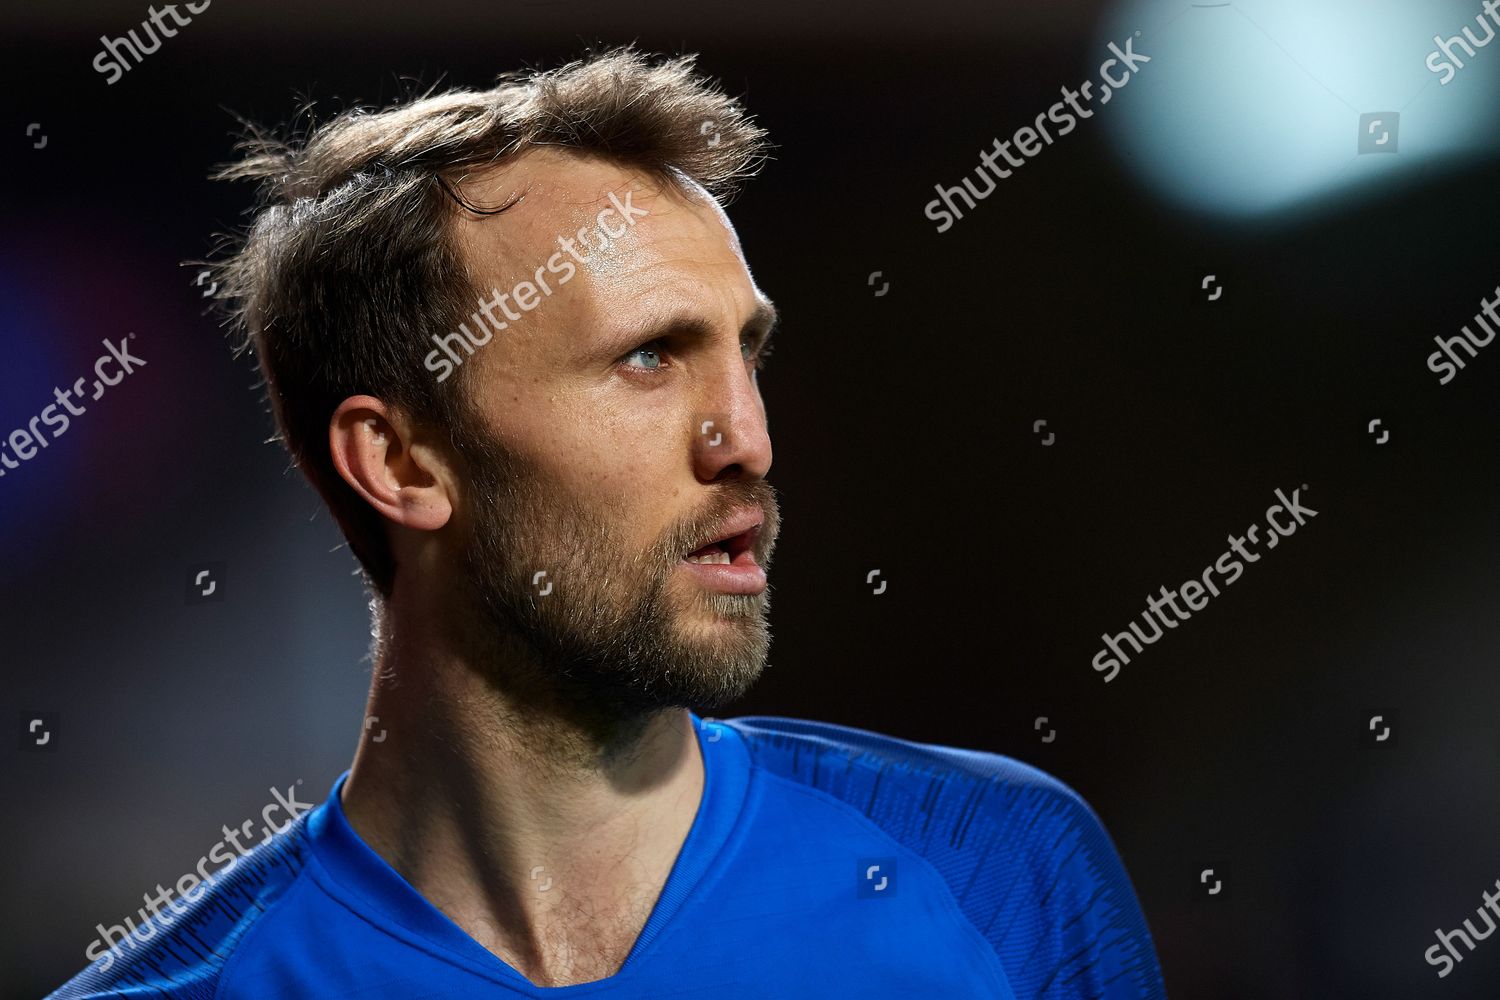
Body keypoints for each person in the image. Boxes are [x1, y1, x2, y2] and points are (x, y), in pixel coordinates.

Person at [51, 47, 1167, 999]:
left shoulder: (999, 873)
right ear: (399, 463)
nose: (746, 440)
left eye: (747, 352)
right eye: (649, 357)